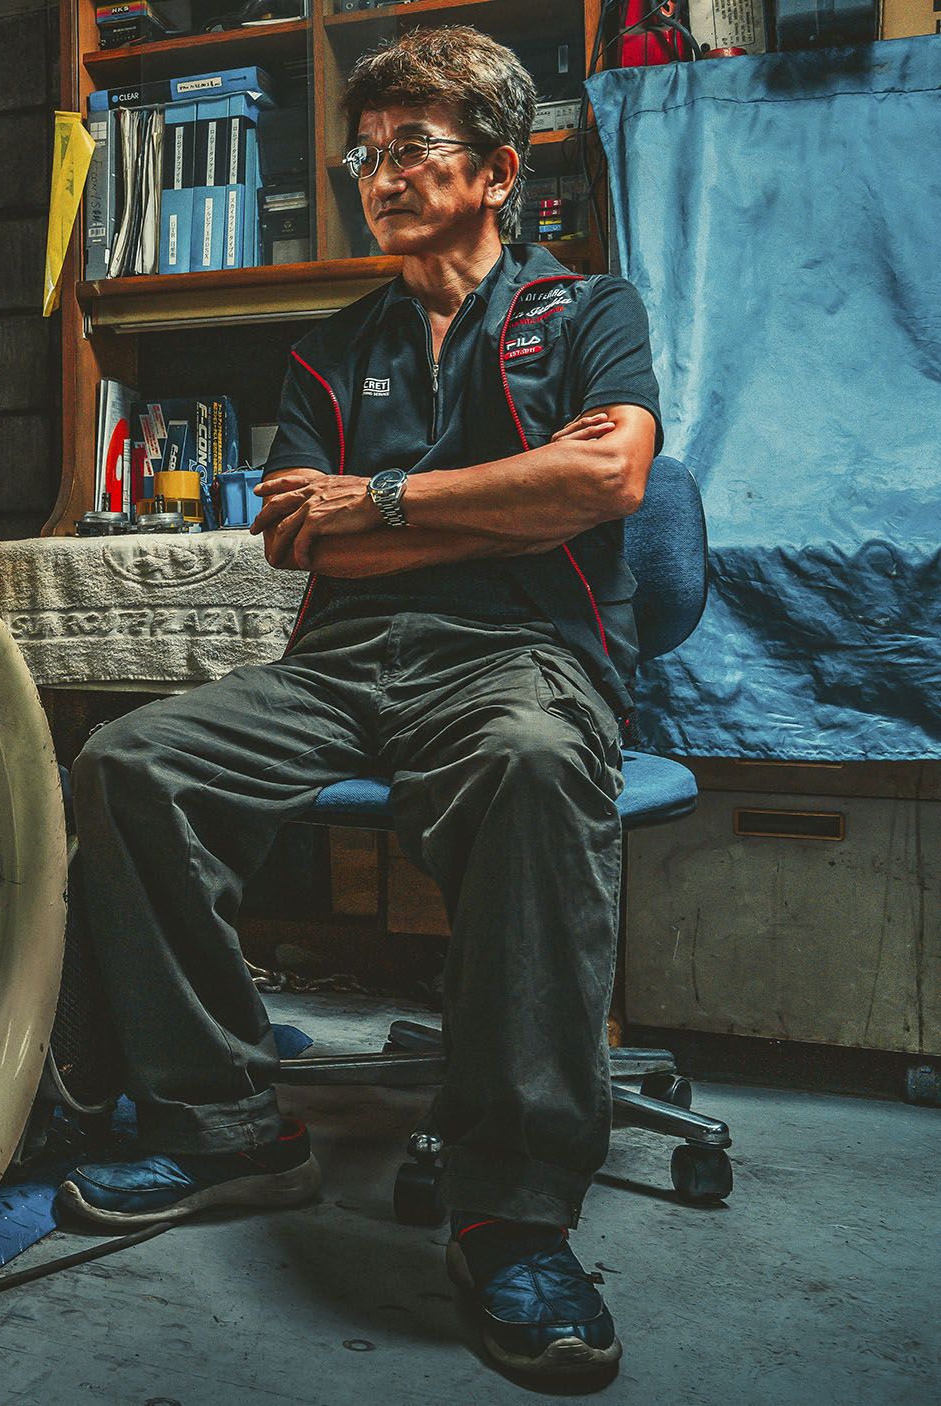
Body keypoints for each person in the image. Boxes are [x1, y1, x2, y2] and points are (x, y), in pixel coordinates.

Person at [56, 25, 662, 1381]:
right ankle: (231, 1131)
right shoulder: (333, 350)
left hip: (521, 657)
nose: (377, 175)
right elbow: (299, 540)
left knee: (527, 761)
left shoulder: (588, 312)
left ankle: (510, 1208)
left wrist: (383, 503)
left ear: (500, 171)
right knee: (132, 763)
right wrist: (500, 500)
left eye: (412, 150)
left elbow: (608, 479)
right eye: (365, 154)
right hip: (341, 668)